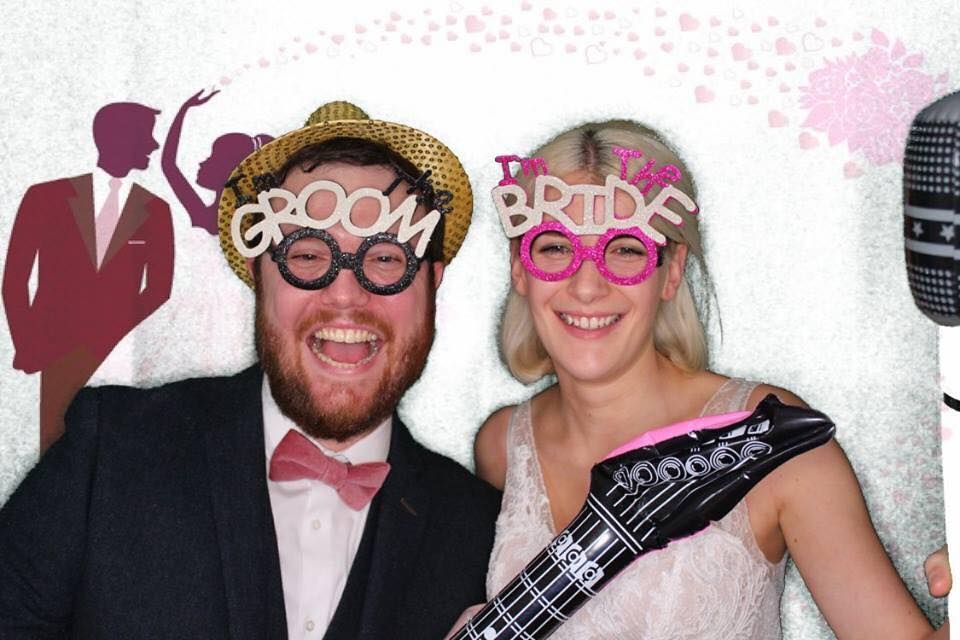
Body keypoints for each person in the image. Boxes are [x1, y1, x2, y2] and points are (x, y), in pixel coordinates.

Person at [0, 100, 500, 639]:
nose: (346, 297)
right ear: (260, 276)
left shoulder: (481, 532)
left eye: (385, 259)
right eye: (308, 256)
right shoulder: (111, 450)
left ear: (433, 282)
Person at [472, 120, 947, 639]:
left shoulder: (766, 436)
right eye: (556, 248)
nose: (587, 287)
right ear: (521, 268)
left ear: (670, 271)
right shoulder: (502, 446)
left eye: (626, 249)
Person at [2, 101, 174, 453]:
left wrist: (106, 334)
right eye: (147, 136)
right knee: (55, 452)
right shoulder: (45, 197)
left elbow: (158, 288)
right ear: (115, 138)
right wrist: (29, 344)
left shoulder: (156, 210)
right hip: (53, 352)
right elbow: (15, 279)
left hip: (123, 354)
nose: (154, 145)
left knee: (118, 450)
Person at [162, 88, 274, 235]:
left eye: (213, 158)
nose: (202, 163)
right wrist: (183, 110)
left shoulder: (210, 219)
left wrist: (184, 109)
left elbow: (168, 165)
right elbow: (168, 165)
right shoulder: (215, 218)